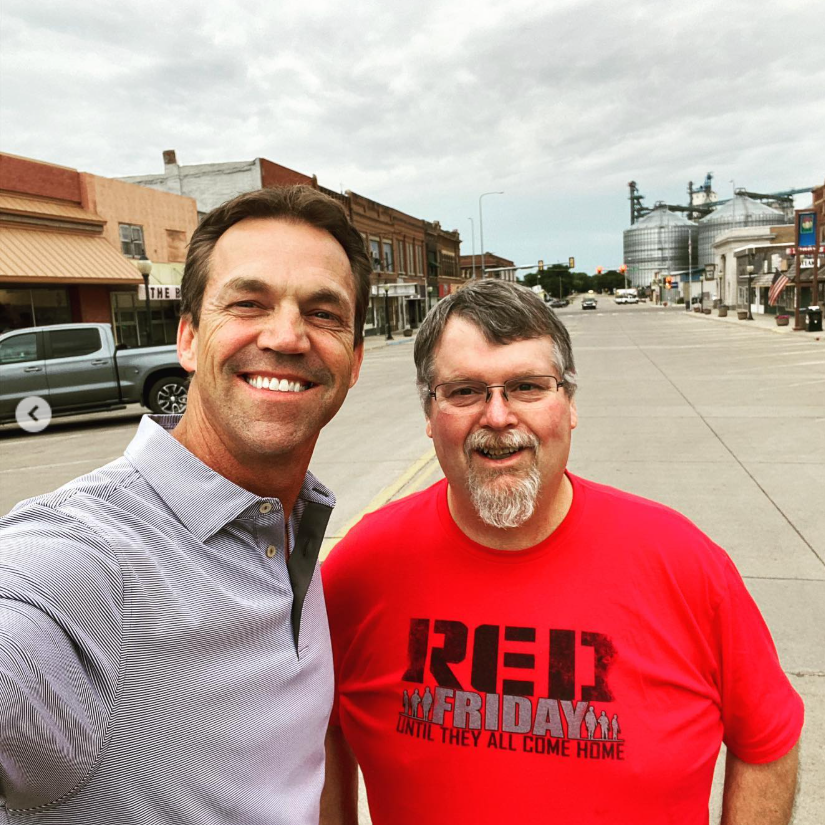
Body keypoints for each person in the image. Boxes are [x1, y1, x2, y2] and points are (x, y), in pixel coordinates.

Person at [320, 280, 803, 825]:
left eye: (527, 386)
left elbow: (767, 743)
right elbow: (317, 736)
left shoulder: (684, 564)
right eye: (464, 391)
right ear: (430, 415)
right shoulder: (358, 572)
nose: (498, 417)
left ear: (569, 404)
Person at [0, 185, 371, 824]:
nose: (287, 336)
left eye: (323, 313)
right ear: (189, 339)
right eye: (248, 303)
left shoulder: (295, 528)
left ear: (356, 360)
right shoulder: (86, 552)